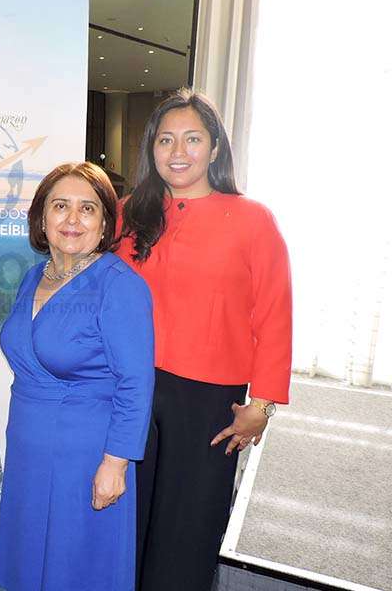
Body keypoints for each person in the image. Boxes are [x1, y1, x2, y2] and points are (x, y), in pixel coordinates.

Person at [116, 88, 291, 591]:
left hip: (210, 400)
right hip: (131, 390)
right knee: (127, 516)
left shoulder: (253, 220)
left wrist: (264, 403)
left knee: (189, 526)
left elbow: (275, 313)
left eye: (193, 139)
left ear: (215, 148)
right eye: (166, 139)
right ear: (151, 148)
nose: (178, 151)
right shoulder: (128, 214)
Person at [0, 162, 155, 591]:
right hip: (28, 448)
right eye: (60, 206)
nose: (72, 219)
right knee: (28, 565)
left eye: (87, 208)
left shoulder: (120, 286)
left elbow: (136, 384)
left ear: (104, 224)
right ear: (41, 219)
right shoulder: (32, 278)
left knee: (77, 568)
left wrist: (116, 463)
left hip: (87, 456)